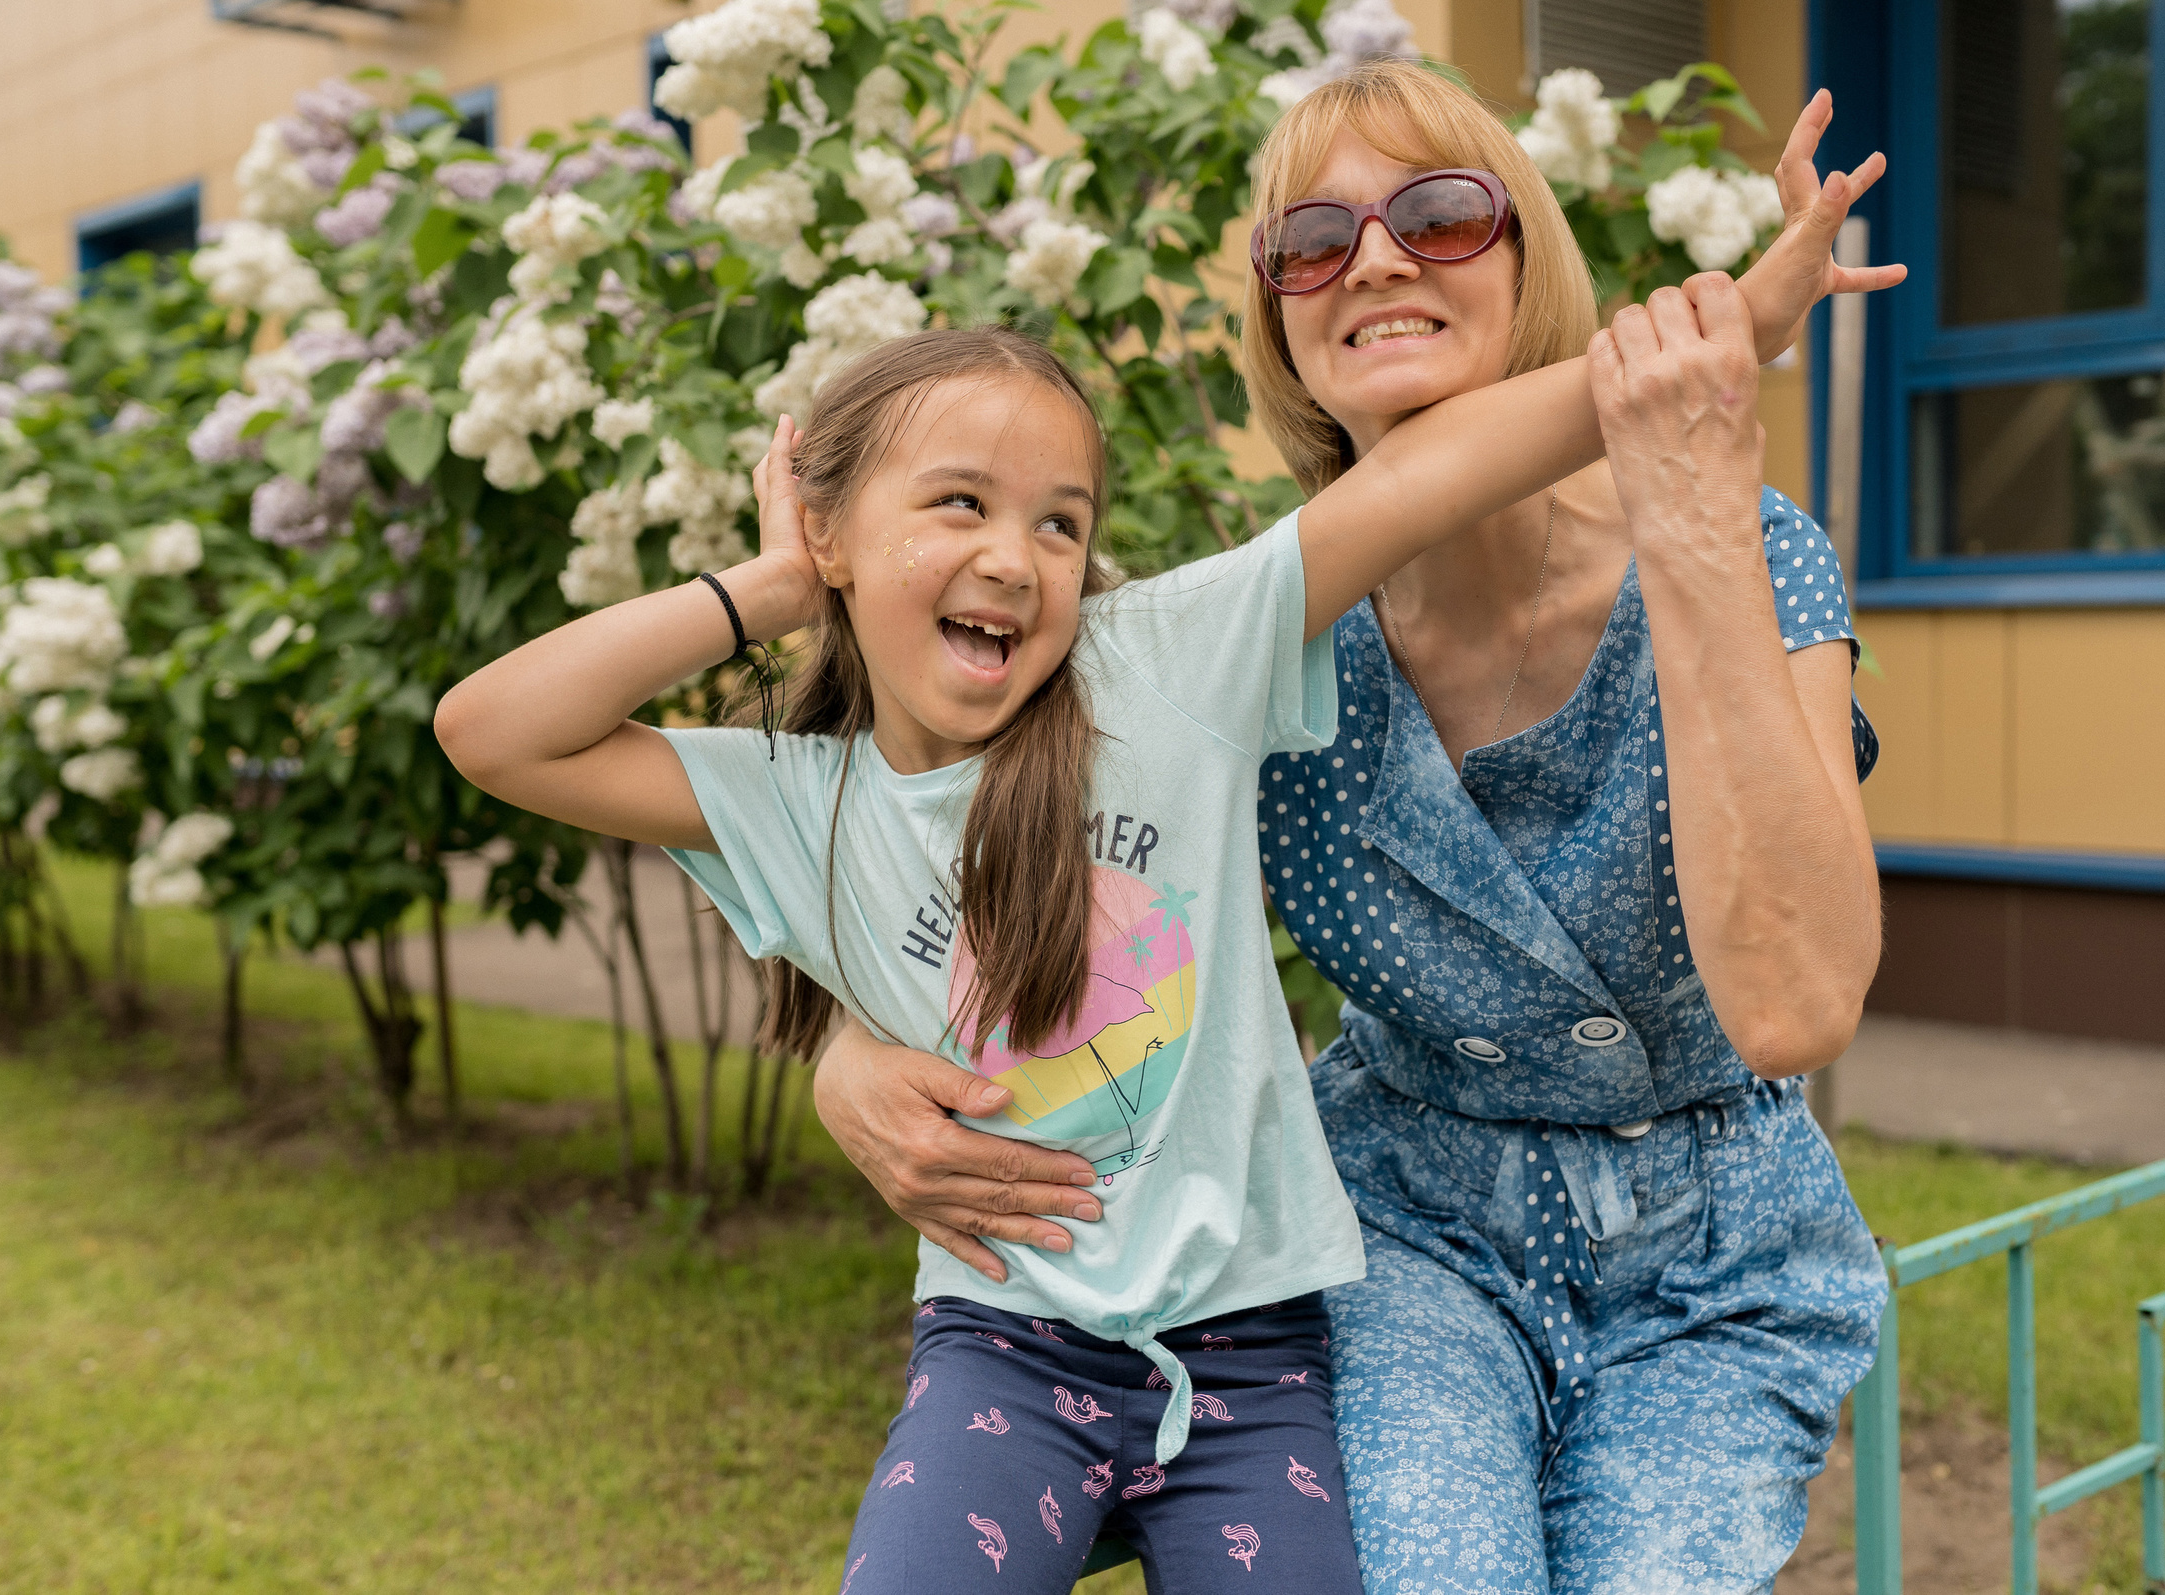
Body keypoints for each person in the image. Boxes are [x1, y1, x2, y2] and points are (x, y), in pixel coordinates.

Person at [431, 185, 1853, 1591]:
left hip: (1256, 1357)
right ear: (834, 531)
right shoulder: (796, 801)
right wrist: (772, 583)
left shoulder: (1158, 668)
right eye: (958, 506)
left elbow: (1424, 479)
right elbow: (492, 732)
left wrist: (1717, 333)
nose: (1013, 555)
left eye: (1061, 523)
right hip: (1008, 1355)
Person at [806, 61, 1904, 1592]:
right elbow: (938, 831)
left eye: (1442, 215)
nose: (1376, 259)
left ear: (1531, 262)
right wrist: (846, 1053)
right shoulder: (1245, 650)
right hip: (1406, 1237)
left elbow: (1797, 1007)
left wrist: (1697, 512)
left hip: (1719, 1271)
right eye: (1311, 243)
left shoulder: (1743, 545)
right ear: (1281, 320)